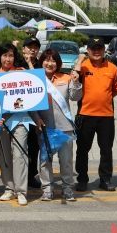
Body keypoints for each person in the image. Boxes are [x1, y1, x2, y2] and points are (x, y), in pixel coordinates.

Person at [72, 38, 117, 192]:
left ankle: (105, 179)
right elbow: (74, 82)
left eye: (99, 48)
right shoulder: (83, 67)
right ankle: (82, 179)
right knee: (82, 149)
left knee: (106, 149)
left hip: (106, 116)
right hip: (85, 114)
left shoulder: (112, 68)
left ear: (103, 50)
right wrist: (79, 62)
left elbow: (115, 90)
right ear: (87, 50)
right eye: (93, 48)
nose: (96, 51)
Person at [37, 48, 81, 202]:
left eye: (53, 60)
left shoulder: (66, 78)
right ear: (41, 61)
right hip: (45, 126)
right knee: (45, 161)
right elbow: (30, 103)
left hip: (65, 128)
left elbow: (75, 97)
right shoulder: (36, 79)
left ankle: (68, 188)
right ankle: (47, 190)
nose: (50, 63)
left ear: (58, 63)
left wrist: (76, 82)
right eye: (47, 60)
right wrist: (36, 118)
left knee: (66, 161)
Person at [0, 43, 30, 203]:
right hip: (2, 122)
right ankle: (9, 188)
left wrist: (28, 63)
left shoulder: (21, 72)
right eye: (5, 55)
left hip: (20, 119)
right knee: (5, 156)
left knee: (20, 155)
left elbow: (34, 92)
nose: (8, 59)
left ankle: (21, 191)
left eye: (11, 55)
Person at [21, 37, 42, 189]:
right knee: (19, 146)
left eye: (35, 47)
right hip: (20, 112)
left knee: (34, 147)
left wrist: (30, 64)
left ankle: (31, 175)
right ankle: (19, 176)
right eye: (30, 47)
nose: (33, 49)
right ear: (23, 49)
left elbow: (38, 82)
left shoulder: (41, 64)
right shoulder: (16, 64)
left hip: (36, 113)